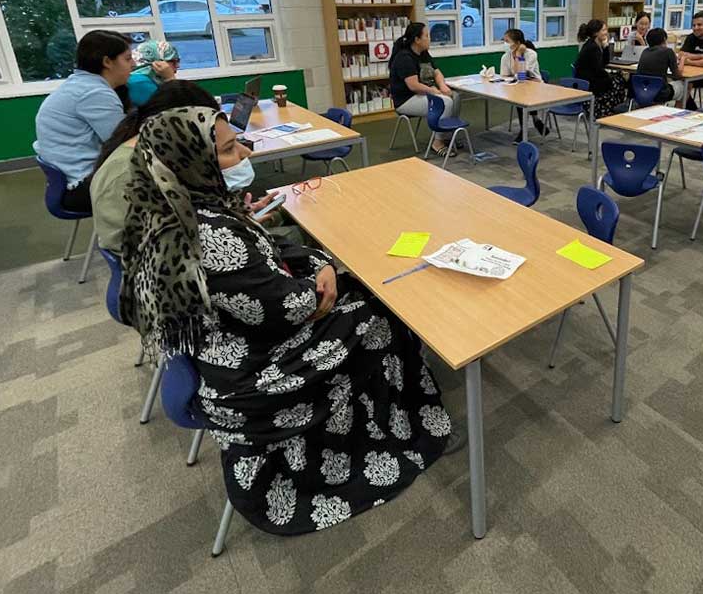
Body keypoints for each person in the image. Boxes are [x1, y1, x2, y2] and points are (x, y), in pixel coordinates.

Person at [119, 105, 459, 536]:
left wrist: (305, 257)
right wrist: (326, 271)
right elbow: (291, 308)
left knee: (356, 288)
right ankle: (402, 422)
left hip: (227, 350)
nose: (244, 153)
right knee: (381, 309)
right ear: (191, 164)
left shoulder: (171, 208)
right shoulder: (210, 234)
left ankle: (389, 403)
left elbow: (266, 265)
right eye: (228, 150)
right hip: (252, 378)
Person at [91, 80, 297, 256]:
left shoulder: (157, 154)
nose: (244, 152)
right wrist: (240, 225)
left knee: (286, 217)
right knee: (300, 237)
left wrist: (236, 214)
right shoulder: (128, 175)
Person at [34, 30, 133, 212]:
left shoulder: (79, 85)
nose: (133, 65)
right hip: (82, 187)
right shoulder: (95, 93)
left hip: (68, 181)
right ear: (107, 62)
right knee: (170, 184)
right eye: (127, 59)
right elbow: (125, 145)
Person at [389, 22, 461, 157]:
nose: (430, 39)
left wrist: (442, 86)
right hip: (407, 99)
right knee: (445, 102)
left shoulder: (423, 53)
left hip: (425, 93)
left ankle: (447, 136)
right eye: (427, 36)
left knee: (455, 97)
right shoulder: (404, 57)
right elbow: (413, 85)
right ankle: (437, 142)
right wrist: (433, 91)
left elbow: (437, 72)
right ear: (417, 40)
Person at [499, 28, 547, 142]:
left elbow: (520, 74)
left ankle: (524, 130)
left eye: (507, 41)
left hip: (536, 87)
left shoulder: (531, 54)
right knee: (519, 97)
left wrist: (519, 54)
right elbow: (504, 76)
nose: (505, 43)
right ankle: (535, 119)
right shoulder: (505, 56)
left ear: (518, 43)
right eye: (504, 40)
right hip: (518, 86)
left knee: (521, 100)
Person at [574, 19, 627, 119]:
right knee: (618, 81)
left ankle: (610, 109)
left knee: (617, 79)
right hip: (589, 81)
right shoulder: (592, 47)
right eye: (603, 30)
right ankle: (607, 110)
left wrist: (606, 46)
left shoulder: (594, 44)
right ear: (595, 32)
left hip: (591, 78)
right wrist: (611, 76)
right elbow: (598, 70)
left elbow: (604, 62)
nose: (606, 32)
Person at [635, 27, 686, 105]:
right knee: (683, 86)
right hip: (660, 93)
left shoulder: (645, 51)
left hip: (642, 91)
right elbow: (677, 75)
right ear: (664, 39)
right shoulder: (668, 51)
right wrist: (682, 59)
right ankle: (679, 113)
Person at [126, 40, 180, 106]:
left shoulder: (153, 79)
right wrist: (171, 79)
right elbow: (177, 107)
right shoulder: (140, 82)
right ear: (157, 62)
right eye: (173, 61)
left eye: (178, 61)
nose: (178, 66)